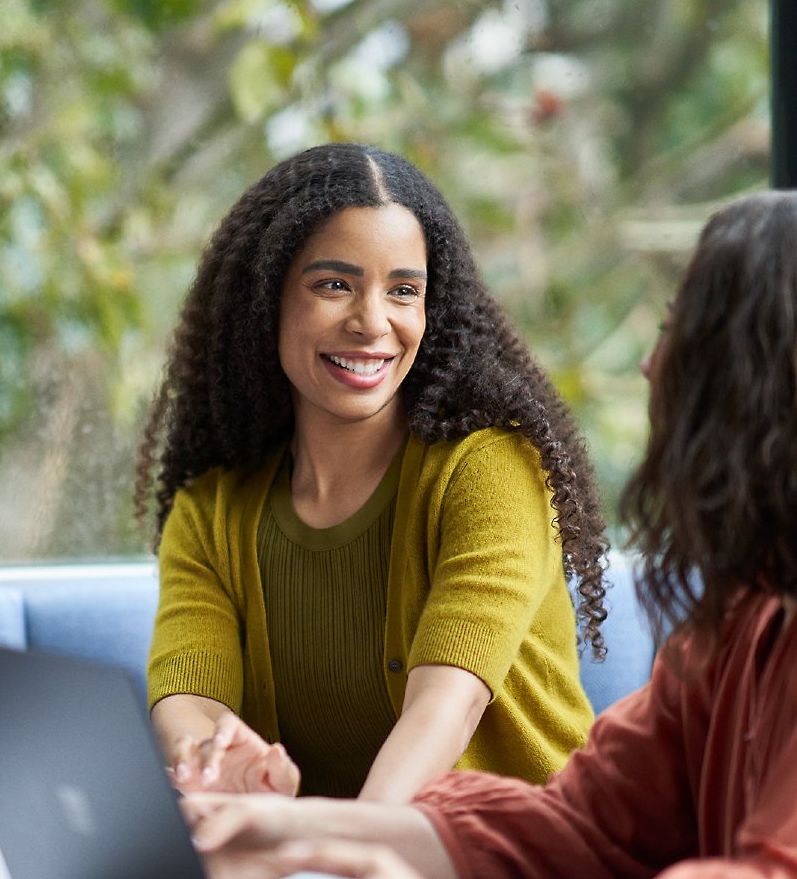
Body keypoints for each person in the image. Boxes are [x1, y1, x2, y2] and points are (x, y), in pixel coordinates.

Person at [184, 189, 797, 879]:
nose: (650, 365)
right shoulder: (744, 614)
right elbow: (585, 824)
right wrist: (284, 832)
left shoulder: (488, 468)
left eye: (681, 337)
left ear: (757, 384)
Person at [136, 142, 608, 802]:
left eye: (404, 292)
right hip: (331, 870)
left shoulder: (492, 470)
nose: (372, 322)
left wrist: (345, 848)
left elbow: (446, 707)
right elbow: (186, 696)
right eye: (334, 285)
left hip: (526, 866)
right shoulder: (211, 511)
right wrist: (214, 757)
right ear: (263, 301)